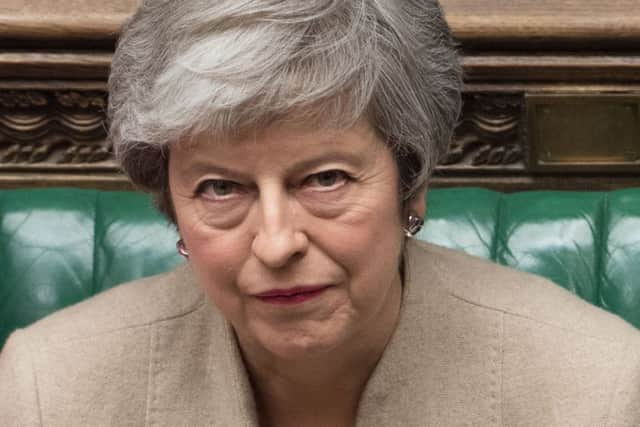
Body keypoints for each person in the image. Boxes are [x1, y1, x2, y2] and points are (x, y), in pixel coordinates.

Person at [1, 0, 639, 425]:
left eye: (325, 179)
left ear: (410, 185)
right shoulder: (48, 391)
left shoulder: (596, 390)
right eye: (221, 189)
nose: (276, 244)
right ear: (173, 210)